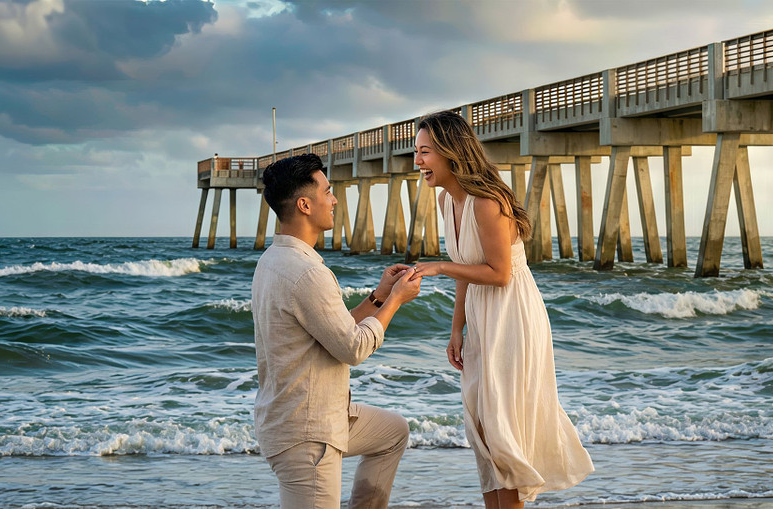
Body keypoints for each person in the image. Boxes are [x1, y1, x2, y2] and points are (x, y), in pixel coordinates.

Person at [409, 111, 594, 508]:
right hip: (480, 317)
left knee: (501, 432)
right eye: (416, 152)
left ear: (448, 151)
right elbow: (467, 266)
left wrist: (438, 265)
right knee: (480, 429)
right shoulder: (447, 201)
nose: (417, 161)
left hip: (511, 317)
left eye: (424, 152)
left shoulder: (487, 203)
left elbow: (499, 273)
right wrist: (456, 328)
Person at [251, 153, 422, 509]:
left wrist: (378, 297)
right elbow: (354, 349)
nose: (334, 199)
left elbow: (333, 328)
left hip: (315, 416)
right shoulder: (308, 273)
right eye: (327, 192)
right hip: (307, 434)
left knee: (393, 433)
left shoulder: (272, 260)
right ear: (304, 204)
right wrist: (396, 302)